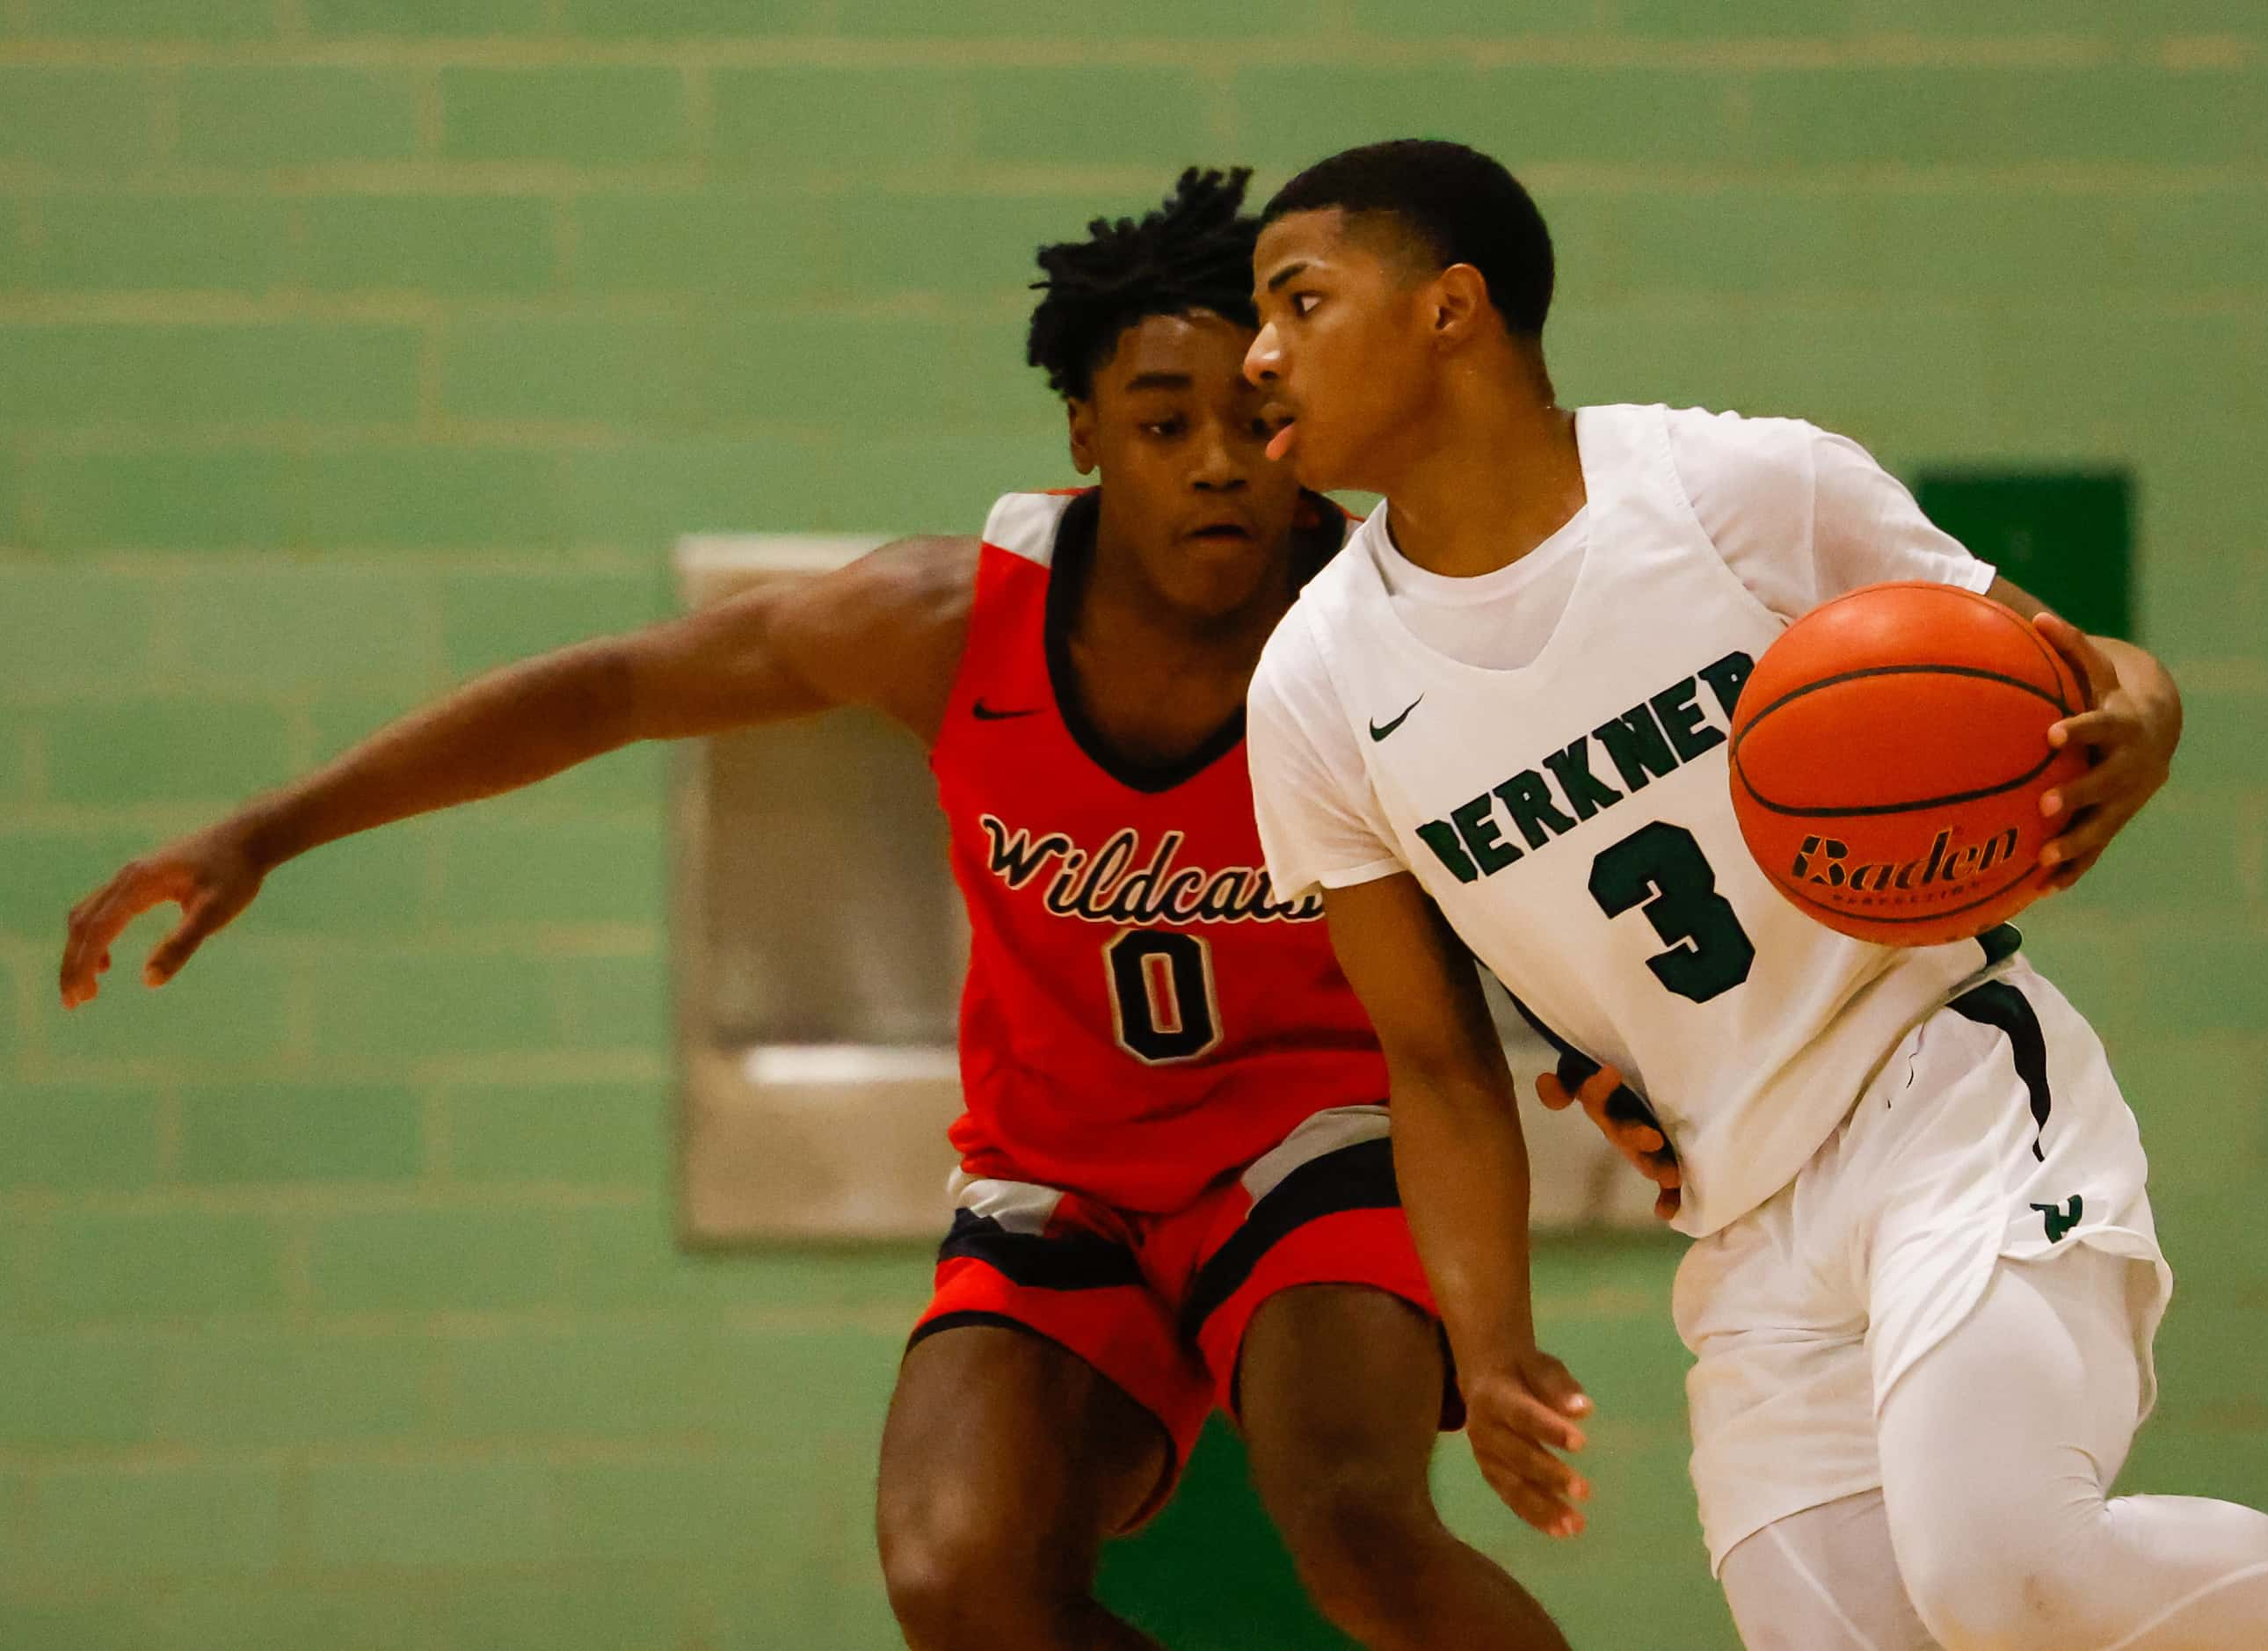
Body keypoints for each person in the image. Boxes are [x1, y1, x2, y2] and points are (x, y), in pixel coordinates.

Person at [55, 171, 1580, 1651]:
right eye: (1163, 424)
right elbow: (615, 688)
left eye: (1255, 422)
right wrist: (272, 825)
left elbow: (1568, 851)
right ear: (1085, 436)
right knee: (953, 1571)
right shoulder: (946, 619)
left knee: (1357, 1529)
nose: (1218, 463)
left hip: (1309, 1146)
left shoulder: (1387, 619)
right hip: (1066, 1176)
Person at [1239, 138, 2268, 1650]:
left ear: (1452, 309)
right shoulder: (1312, 685)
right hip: (1746, 1215)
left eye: (1300, 302)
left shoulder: (1734, 491)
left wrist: (2146, 718)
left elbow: (2076, 669)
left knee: (2004, 1569)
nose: (1260, 354)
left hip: (1944, 1089)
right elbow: (1430, 1059)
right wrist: (1489, 1345)